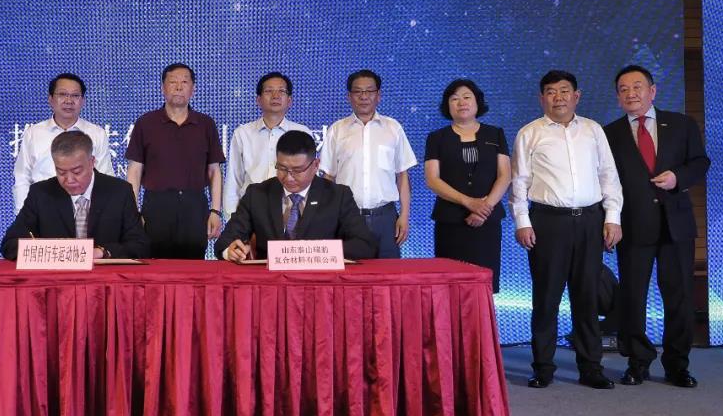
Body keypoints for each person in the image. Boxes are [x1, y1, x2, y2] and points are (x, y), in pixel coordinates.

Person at [511, 70, 623, 389]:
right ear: (541, 98)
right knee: (546, 298)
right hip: (548, 222)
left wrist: (612, 217)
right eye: (550, 91)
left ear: (577, 96)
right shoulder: (529, 133)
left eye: (564, 91)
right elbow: (519, 182)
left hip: (590, 220)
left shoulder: (593, 130)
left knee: (586, 296)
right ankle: (543, 367)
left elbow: (608, 175)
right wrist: (522, 222)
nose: (558, 97)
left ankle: (591, 367)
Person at [604, 65, 710, 388]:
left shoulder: (680, 124)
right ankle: (637, 362)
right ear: (618, 97)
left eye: (637, 86)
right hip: (633, 225)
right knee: (633, 297)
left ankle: (677, 364)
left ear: (652, 91)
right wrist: (609, 221)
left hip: (676, 225)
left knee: (679, 297)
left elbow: (700, 162)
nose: (631, 93)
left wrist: (678, 177)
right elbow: (604, 181)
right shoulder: (608, 134)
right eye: (624, 89)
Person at [215, 130, 376, 260]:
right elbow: (224, 242)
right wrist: (230, 251)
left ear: (315, 165)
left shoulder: (338, 196)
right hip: (270, 282)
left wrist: (313, 252)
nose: (289, 177)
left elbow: (365, 245)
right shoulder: (257, 194)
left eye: (297, 170)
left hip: (320, 282)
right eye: (282, 168)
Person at [125, 63, 225, 258]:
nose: (179, 87)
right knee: (154, 264)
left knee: (193, 266)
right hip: (156, 206)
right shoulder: (146, 123)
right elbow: (134, 171)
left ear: (193, 89)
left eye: (184, 82)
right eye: (172, 82)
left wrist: (215, 211)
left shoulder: (206, 124)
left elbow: (214, 171)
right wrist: (133, 213)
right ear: (162, 88)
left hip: (195, 207)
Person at [0, 131, 149, 260]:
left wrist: (102, 252)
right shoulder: (41, 193)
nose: (69, 180)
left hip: (105, 279)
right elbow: (9, 244)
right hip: (56, 279)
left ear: (92, 162)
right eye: (61, 172)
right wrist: (48, 250)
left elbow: (139, 245)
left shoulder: (119, 192)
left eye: (77, 172)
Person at [424, 79, 511, 292]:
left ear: (477, 102)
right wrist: (469, 202)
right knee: (449, 286)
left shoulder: (495, 134)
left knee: (484, 286)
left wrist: (484, 208)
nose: (461, 103)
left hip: (487, 222)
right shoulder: (436, 138)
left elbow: (505, 175)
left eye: (466, 97)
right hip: (450, 222)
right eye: (454, 99)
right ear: (447, 105)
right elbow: (432, 179)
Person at [319, 69, 417, 258]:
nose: (364, 97)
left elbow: (402, 175)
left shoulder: (393, 128)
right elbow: (328, 177)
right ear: (349, 96)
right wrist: (327, 217)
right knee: (349, 272)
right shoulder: (336, 130)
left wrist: (404, 216)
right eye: (357, 91)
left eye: (369, 91)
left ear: (378, 95)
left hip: (386, 218)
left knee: (388, 272)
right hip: (347, 216)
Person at [12, 73, 113, 213]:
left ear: (83, 101)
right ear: (51, 99)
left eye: (75, 95)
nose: (68, 101)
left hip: (84, 210)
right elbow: (22, 177)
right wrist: (24, 214)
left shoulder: (97, 133)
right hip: (44, 208)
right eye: (62, 94)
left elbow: (106, 176)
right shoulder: (33, 133)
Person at [222, 72, 311, 219]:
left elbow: (309, 178)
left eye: (281, 91)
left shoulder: (302, 132)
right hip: (251, 211)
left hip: (291, 212)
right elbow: (234, 179)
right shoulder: (243, 133)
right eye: (269, 91)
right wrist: (232, 218)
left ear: (289, 100)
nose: (275, 96)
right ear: (258, 100)